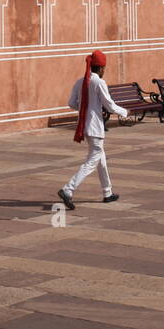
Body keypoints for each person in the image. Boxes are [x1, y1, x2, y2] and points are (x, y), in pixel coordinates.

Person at [58, 50, 127, 210]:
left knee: (100, 159)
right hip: (95, 127)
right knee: (92, 162)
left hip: (85, 125)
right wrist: (124, 111)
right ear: (101, 68)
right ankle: (68, 189)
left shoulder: (80, 81)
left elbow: (71, 103)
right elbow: (109, 105)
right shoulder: (98, 83)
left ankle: (107, 192)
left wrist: (84, 110)